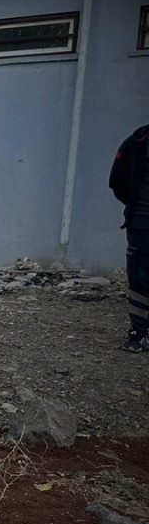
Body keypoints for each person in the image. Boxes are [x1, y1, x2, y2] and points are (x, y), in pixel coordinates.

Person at [109, 123, 149, 352]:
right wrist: (135, 206)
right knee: (139, 277)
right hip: (142, 222)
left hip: (141, 219)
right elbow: (117, 181)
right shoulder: (135, 143)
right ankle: (139, 332)